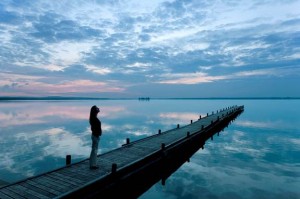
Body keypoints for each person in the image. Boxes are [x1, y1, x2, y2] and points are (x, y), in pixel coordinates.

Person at [89, 105, 102, 169]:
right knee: (94, 150)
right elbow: (94, 128)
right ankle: (93, 165)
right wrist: (97, 135)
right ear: (94, 111)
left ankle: (93, 163)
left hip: (95, 136)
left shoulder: (93, 117)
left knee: (94, 150)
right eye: (97, 108)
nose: (98, 109)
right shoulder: (94, 118)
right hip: (95, 136)